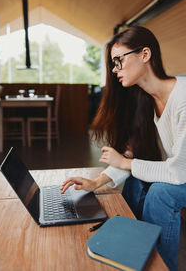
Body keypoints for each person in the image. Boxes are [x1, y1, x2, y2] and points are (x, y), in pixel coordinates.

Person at [61, 26, 186, 271]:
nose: (115, 69)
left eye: (119, 60)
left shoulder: (183, 98)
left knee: (161, 193)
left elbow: (178, 173)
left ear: (145, 55)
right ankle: (134, 253)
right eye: (113, 64)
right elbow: (135, 153)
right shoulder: (147, 101)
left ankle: (160, 266)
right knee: (135, 184)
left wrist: (126, 163)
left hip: (182, 173)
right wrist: (97, 182)